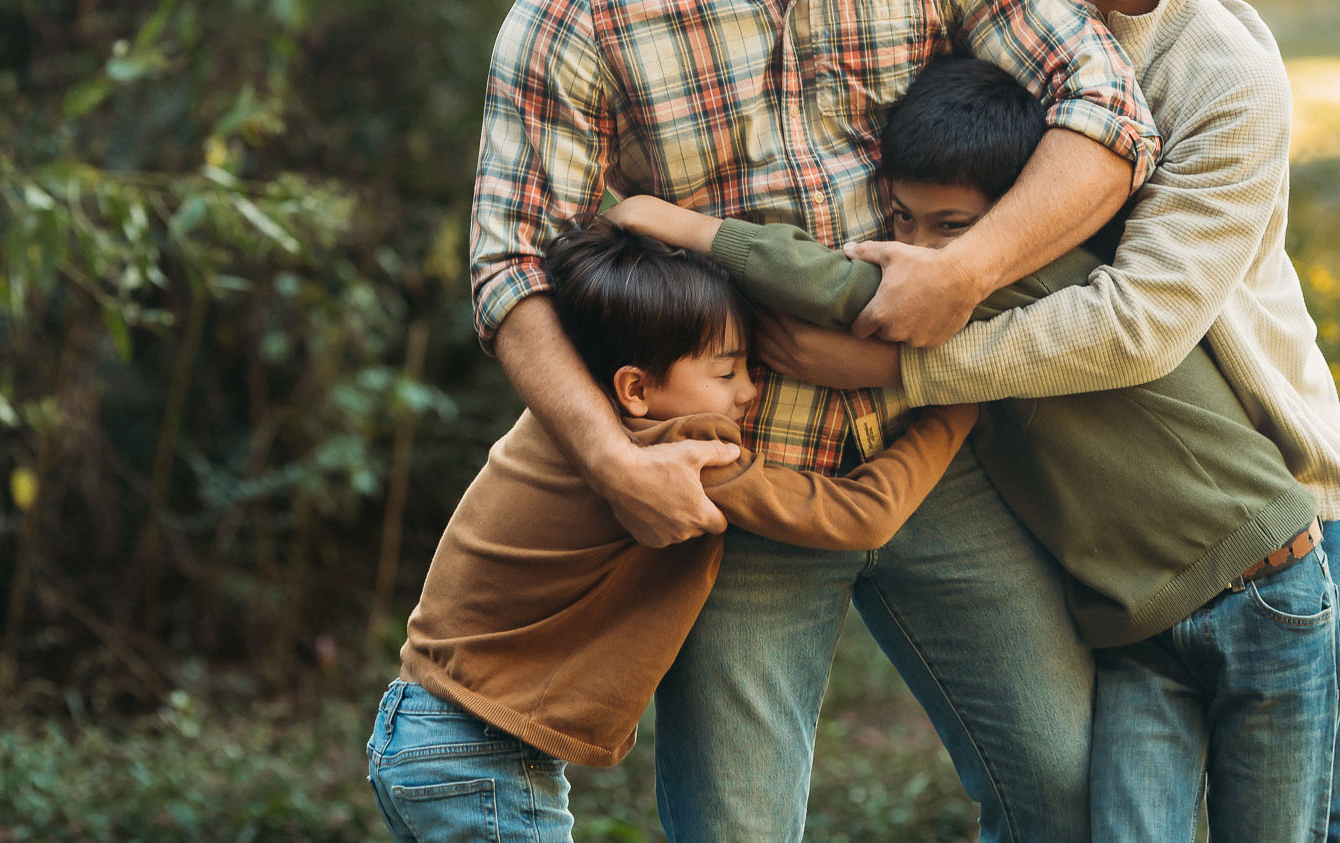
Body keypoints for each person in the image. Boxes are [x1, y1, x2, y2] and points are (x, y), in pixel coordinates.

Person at [469, 0, 1160, 842]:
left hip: (931, 449)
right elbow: (509, 267)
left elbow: (1107, 110)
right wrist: (615, 461)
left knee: (1068, 786)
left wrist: (963, 275)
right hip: (738, 489)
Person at [759, 0, 1340, 841]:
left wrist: (903, 360)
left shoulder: (1225, 78)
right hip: (1098, 516)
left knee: (1334, 817)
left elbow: (1138, 323)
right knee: (1093, 806)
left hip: (1265, 489)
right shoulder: (999, 46)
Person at [611, 53, 1340, 841]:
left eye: (951, 228)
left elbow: (838, 286)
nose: (923, 252)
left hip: (1262, 587)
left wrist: (687, 226)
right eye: (901, 221)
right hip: (1136, 627)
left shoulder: (1035, 275)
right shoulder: (971, 319)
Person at [365, 219, 977, 843]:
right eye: (726, 372)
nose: (749, 390)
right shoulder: (678, 450)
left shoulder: (565, 414)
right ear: (635, 388)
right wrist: (958, 400)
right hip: (478, 750)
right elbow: (861, 513)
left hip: (425, 726)